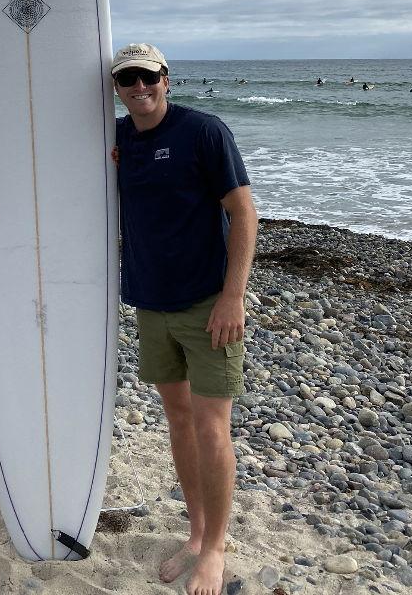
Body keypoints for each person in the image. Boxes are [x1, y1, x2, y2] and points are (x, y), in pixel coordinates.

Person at [111, 43, 257, 595]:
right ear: (118, 89)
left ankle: (215, 550)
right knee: (177, 417)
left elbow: (243, 212)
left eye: (148, 77)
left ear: (166, 79)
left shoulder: (204, 132)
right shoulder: (121, 138)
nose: (139, 87)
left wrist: (233, 296)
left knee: (211, 425)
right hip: (150, 302)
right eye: (127, 80)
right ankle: (196, 534)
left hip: (206, 303)